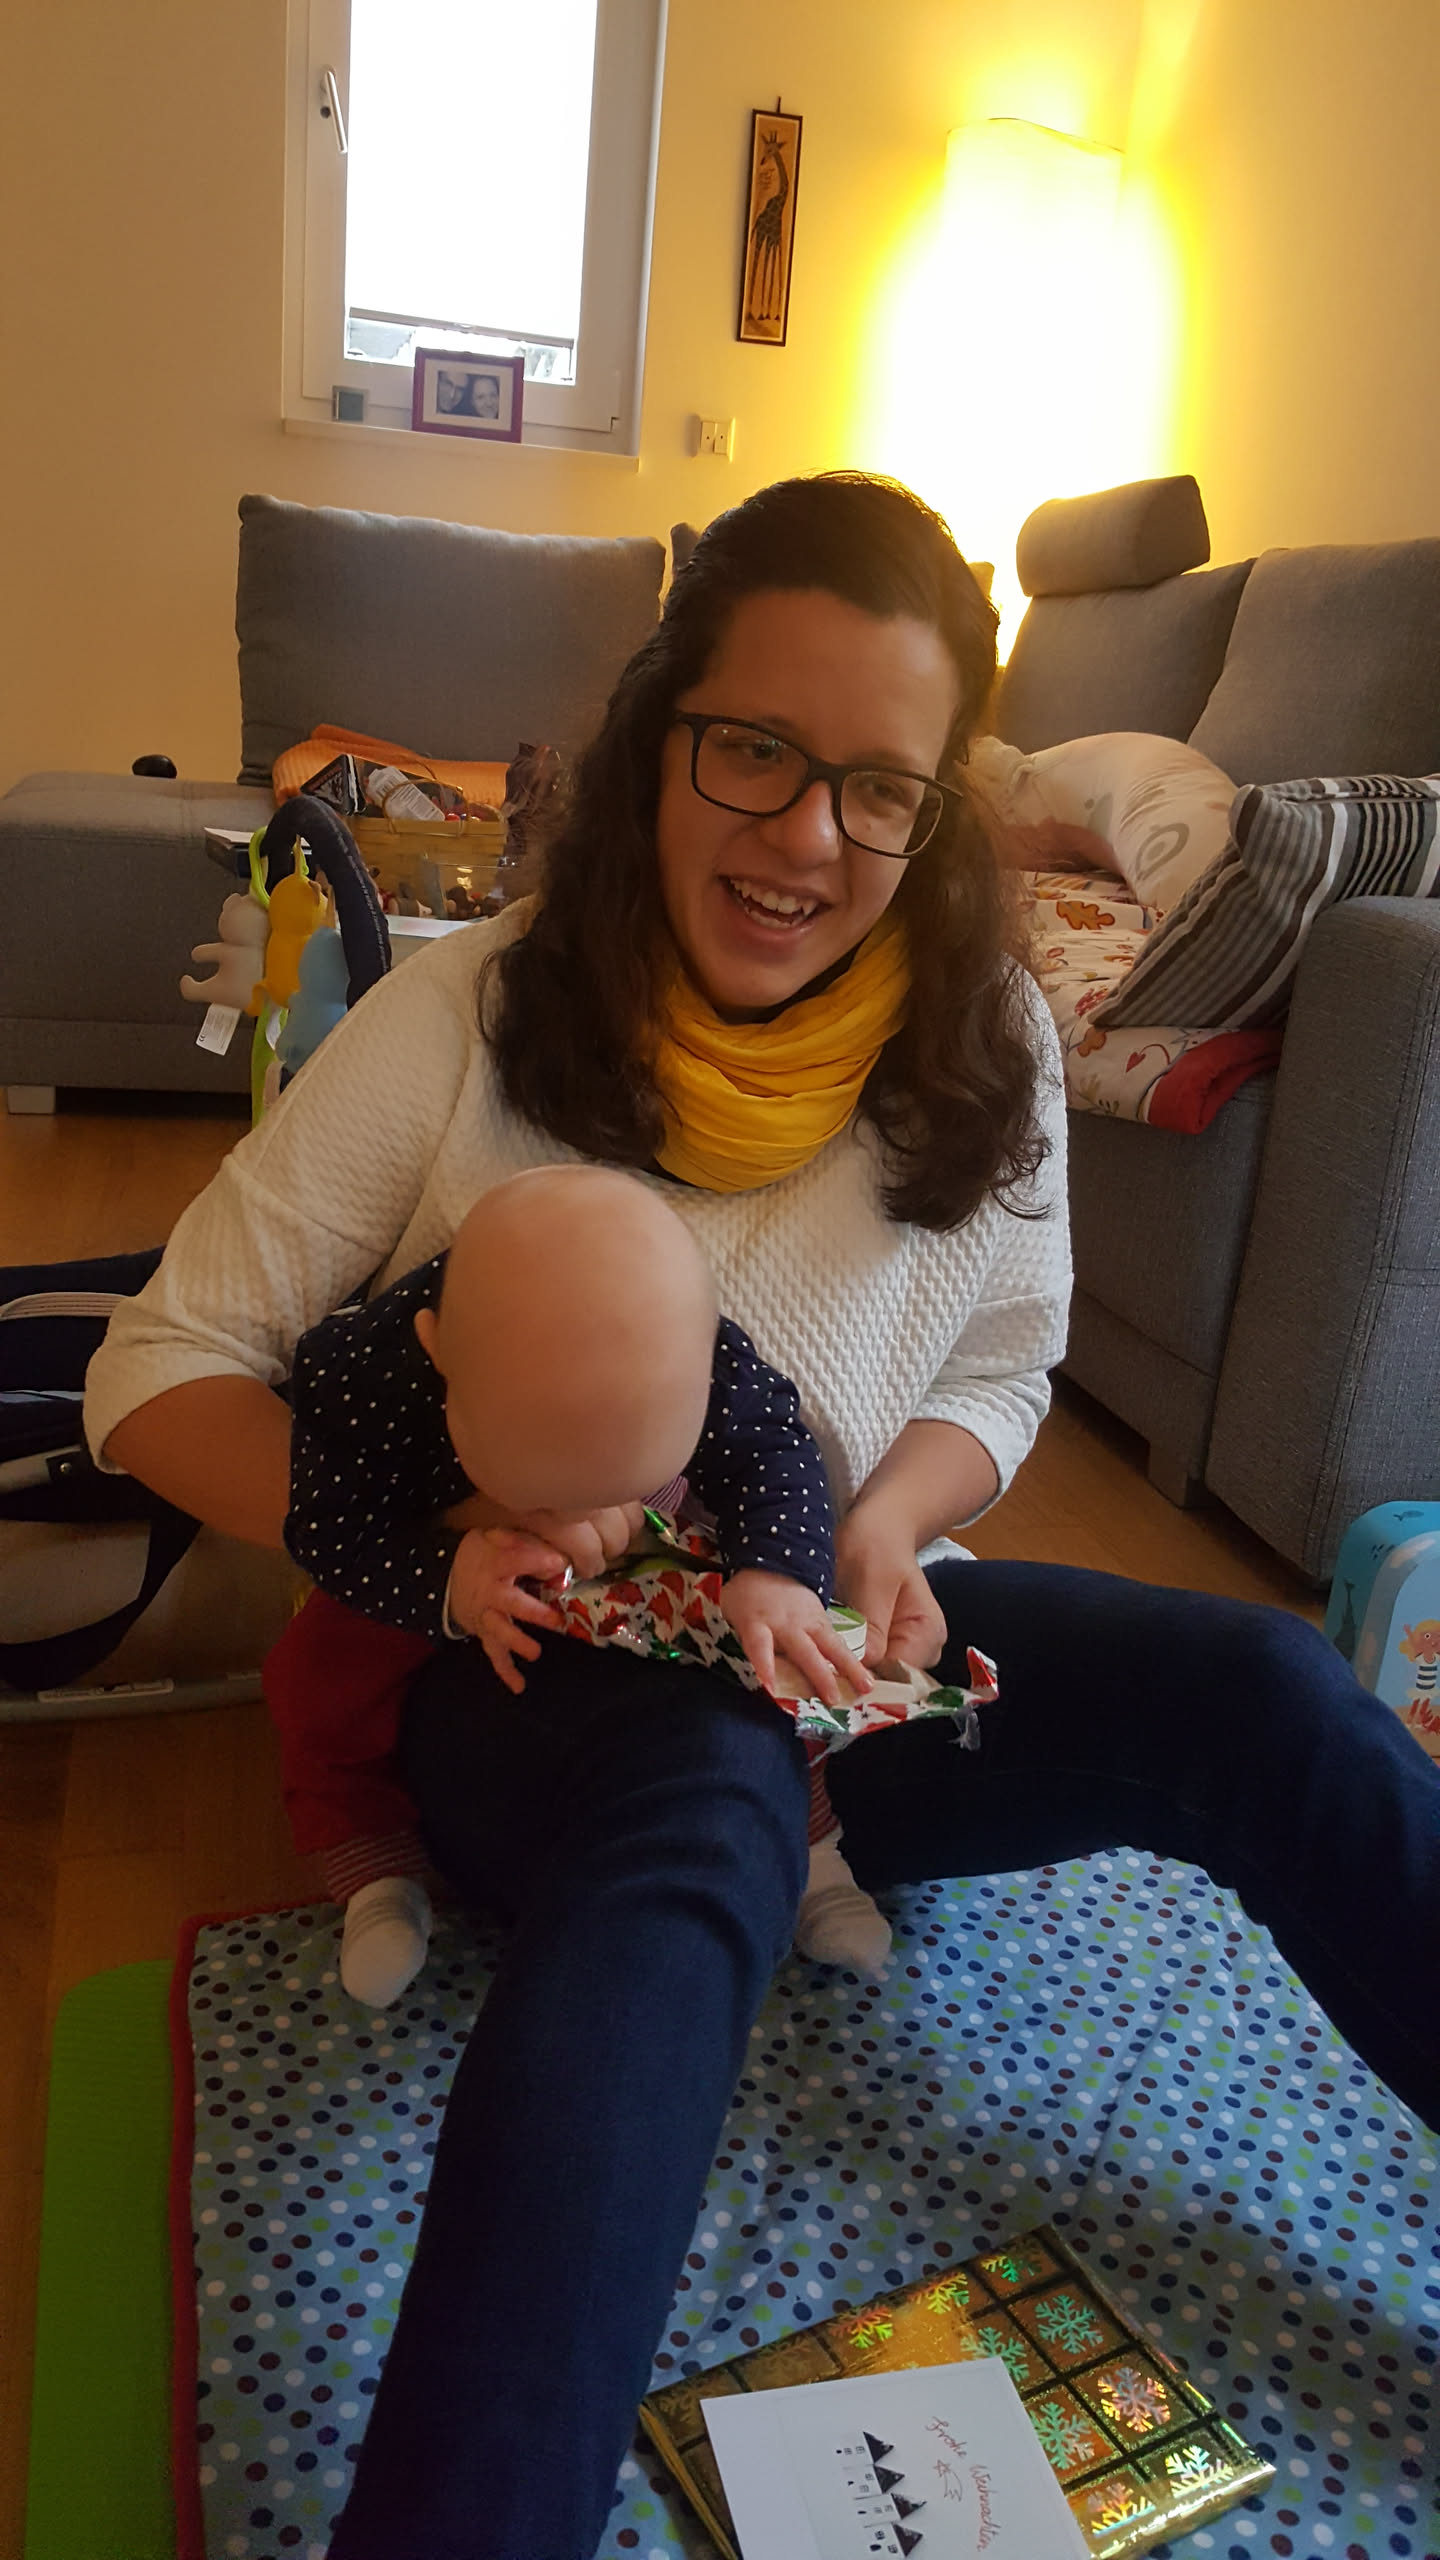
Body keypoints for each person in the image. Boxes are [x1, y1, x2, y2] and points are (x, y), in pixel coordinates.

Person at [86, 472, 1440, 2560]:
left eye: (879, 788)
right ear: (660, 737)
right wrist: (432, 1560)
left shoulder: (987, 1029)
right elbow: (154, 1375)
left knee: (1259, 1683)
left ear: (937, 809)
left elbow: (1004, 1362)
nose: (809, 836)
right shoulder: (468, 1016)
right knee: (709, 1770)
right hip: (514, 1691)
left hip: (813, 1655)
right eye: (754, 753)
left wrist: (888, 1524)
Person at [268, 1161, 892, 2004]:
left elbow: (775, 1454)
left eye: (605, 1485)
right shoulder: (362, 1376)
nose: (578, 1522)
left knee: (773, 1643)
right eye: (547, 1493)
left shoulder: (710, 1353)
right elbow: (328, 1528)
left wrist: (777, 1574)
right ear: (438, 1354)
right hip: (446, 1542)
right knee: (315, 1672)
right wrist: (449, 1569)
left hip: (663, 1532)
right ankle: (371, 1861)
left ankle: (814, 1847)